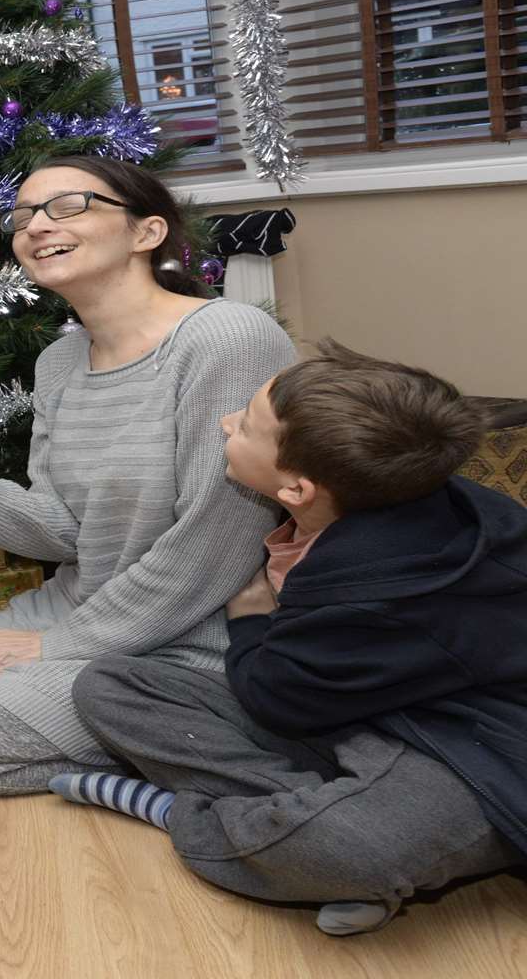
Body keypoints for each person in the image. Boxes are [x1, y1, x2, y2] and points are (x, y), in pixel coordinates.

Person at [0, 154, 296, 795]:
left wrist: (60, 647)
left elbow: (218, 537)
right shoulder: (59, 360)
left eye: (69, 204)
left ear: (146, 232)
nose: (35, 225)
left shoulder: (226, 336)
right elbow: (65, 535)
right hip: (81, 606)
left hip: (190, 636)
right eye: (23, 215)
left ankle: (199, 746)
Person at [54, 341, 526, 936]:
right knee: (111, 684)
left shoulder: (376, 594)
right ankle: (300, 808)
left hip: (470, 750)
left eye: (246, 425)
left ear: (298, 488)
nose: (227, 423)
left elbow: (274, 695)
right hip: (357, 705)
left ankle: (184, 813)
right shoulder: (399, 496)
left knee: (340, 847)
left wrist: (250, 617)